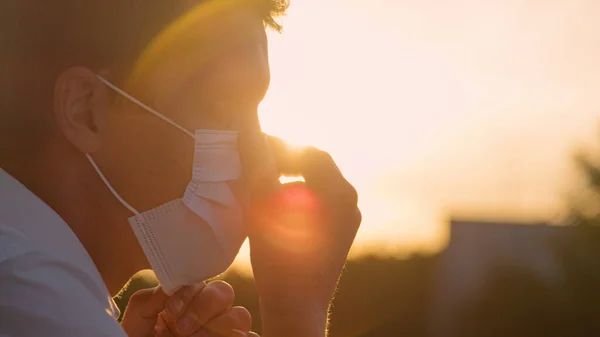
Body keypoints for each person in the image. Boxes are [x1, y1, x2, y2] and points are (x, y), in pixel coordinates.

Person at [0, 0, 361, 337]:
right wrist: (294, 319)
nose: (260, 154)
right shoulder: (32, 298)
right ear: (84, 111)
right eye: (222, 105)